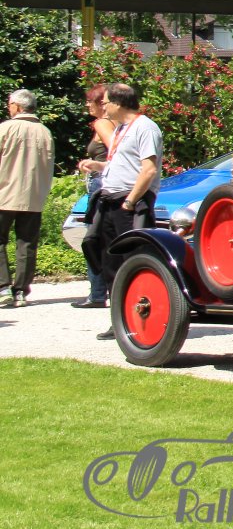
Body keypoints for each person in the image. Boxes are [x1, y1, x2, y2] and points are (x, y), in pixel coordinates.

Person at [82, 83, 163, 339]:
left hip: (129, 203)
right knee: (110, 262)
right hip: (110, 200)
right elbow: (124, 164)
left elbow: (148, 169)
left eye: (106, 102)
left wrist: (130, 201)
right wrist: (99, 166)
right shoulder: (120, 129)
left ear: (118, 103)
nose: (103, 107)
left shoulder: (145, 127)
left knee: (133, 261)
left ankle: (139, 321)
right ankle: (119, 321)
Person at [0, 89, 55, 309]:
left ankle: (3, 287)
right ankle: (21, 291)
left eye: (10, 104)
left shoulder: (5, 128)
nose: (8, 107)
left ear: (18, 106)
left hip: (4, 193)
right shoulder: (44, 132)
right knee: (27, 244)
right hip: (33, 196)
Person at [73, 85, 118, 307]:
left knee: (93, 238)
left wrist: (95, 164)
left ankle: (98, 293)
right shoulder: (117, 123)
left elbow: (115, 151)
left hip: (100, 182)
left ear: (101, 103)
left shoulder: (102, 123)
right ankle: (103, 291)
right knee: (103, 237)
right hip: (107, 181)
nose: (87, 105)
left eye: (90, 101)